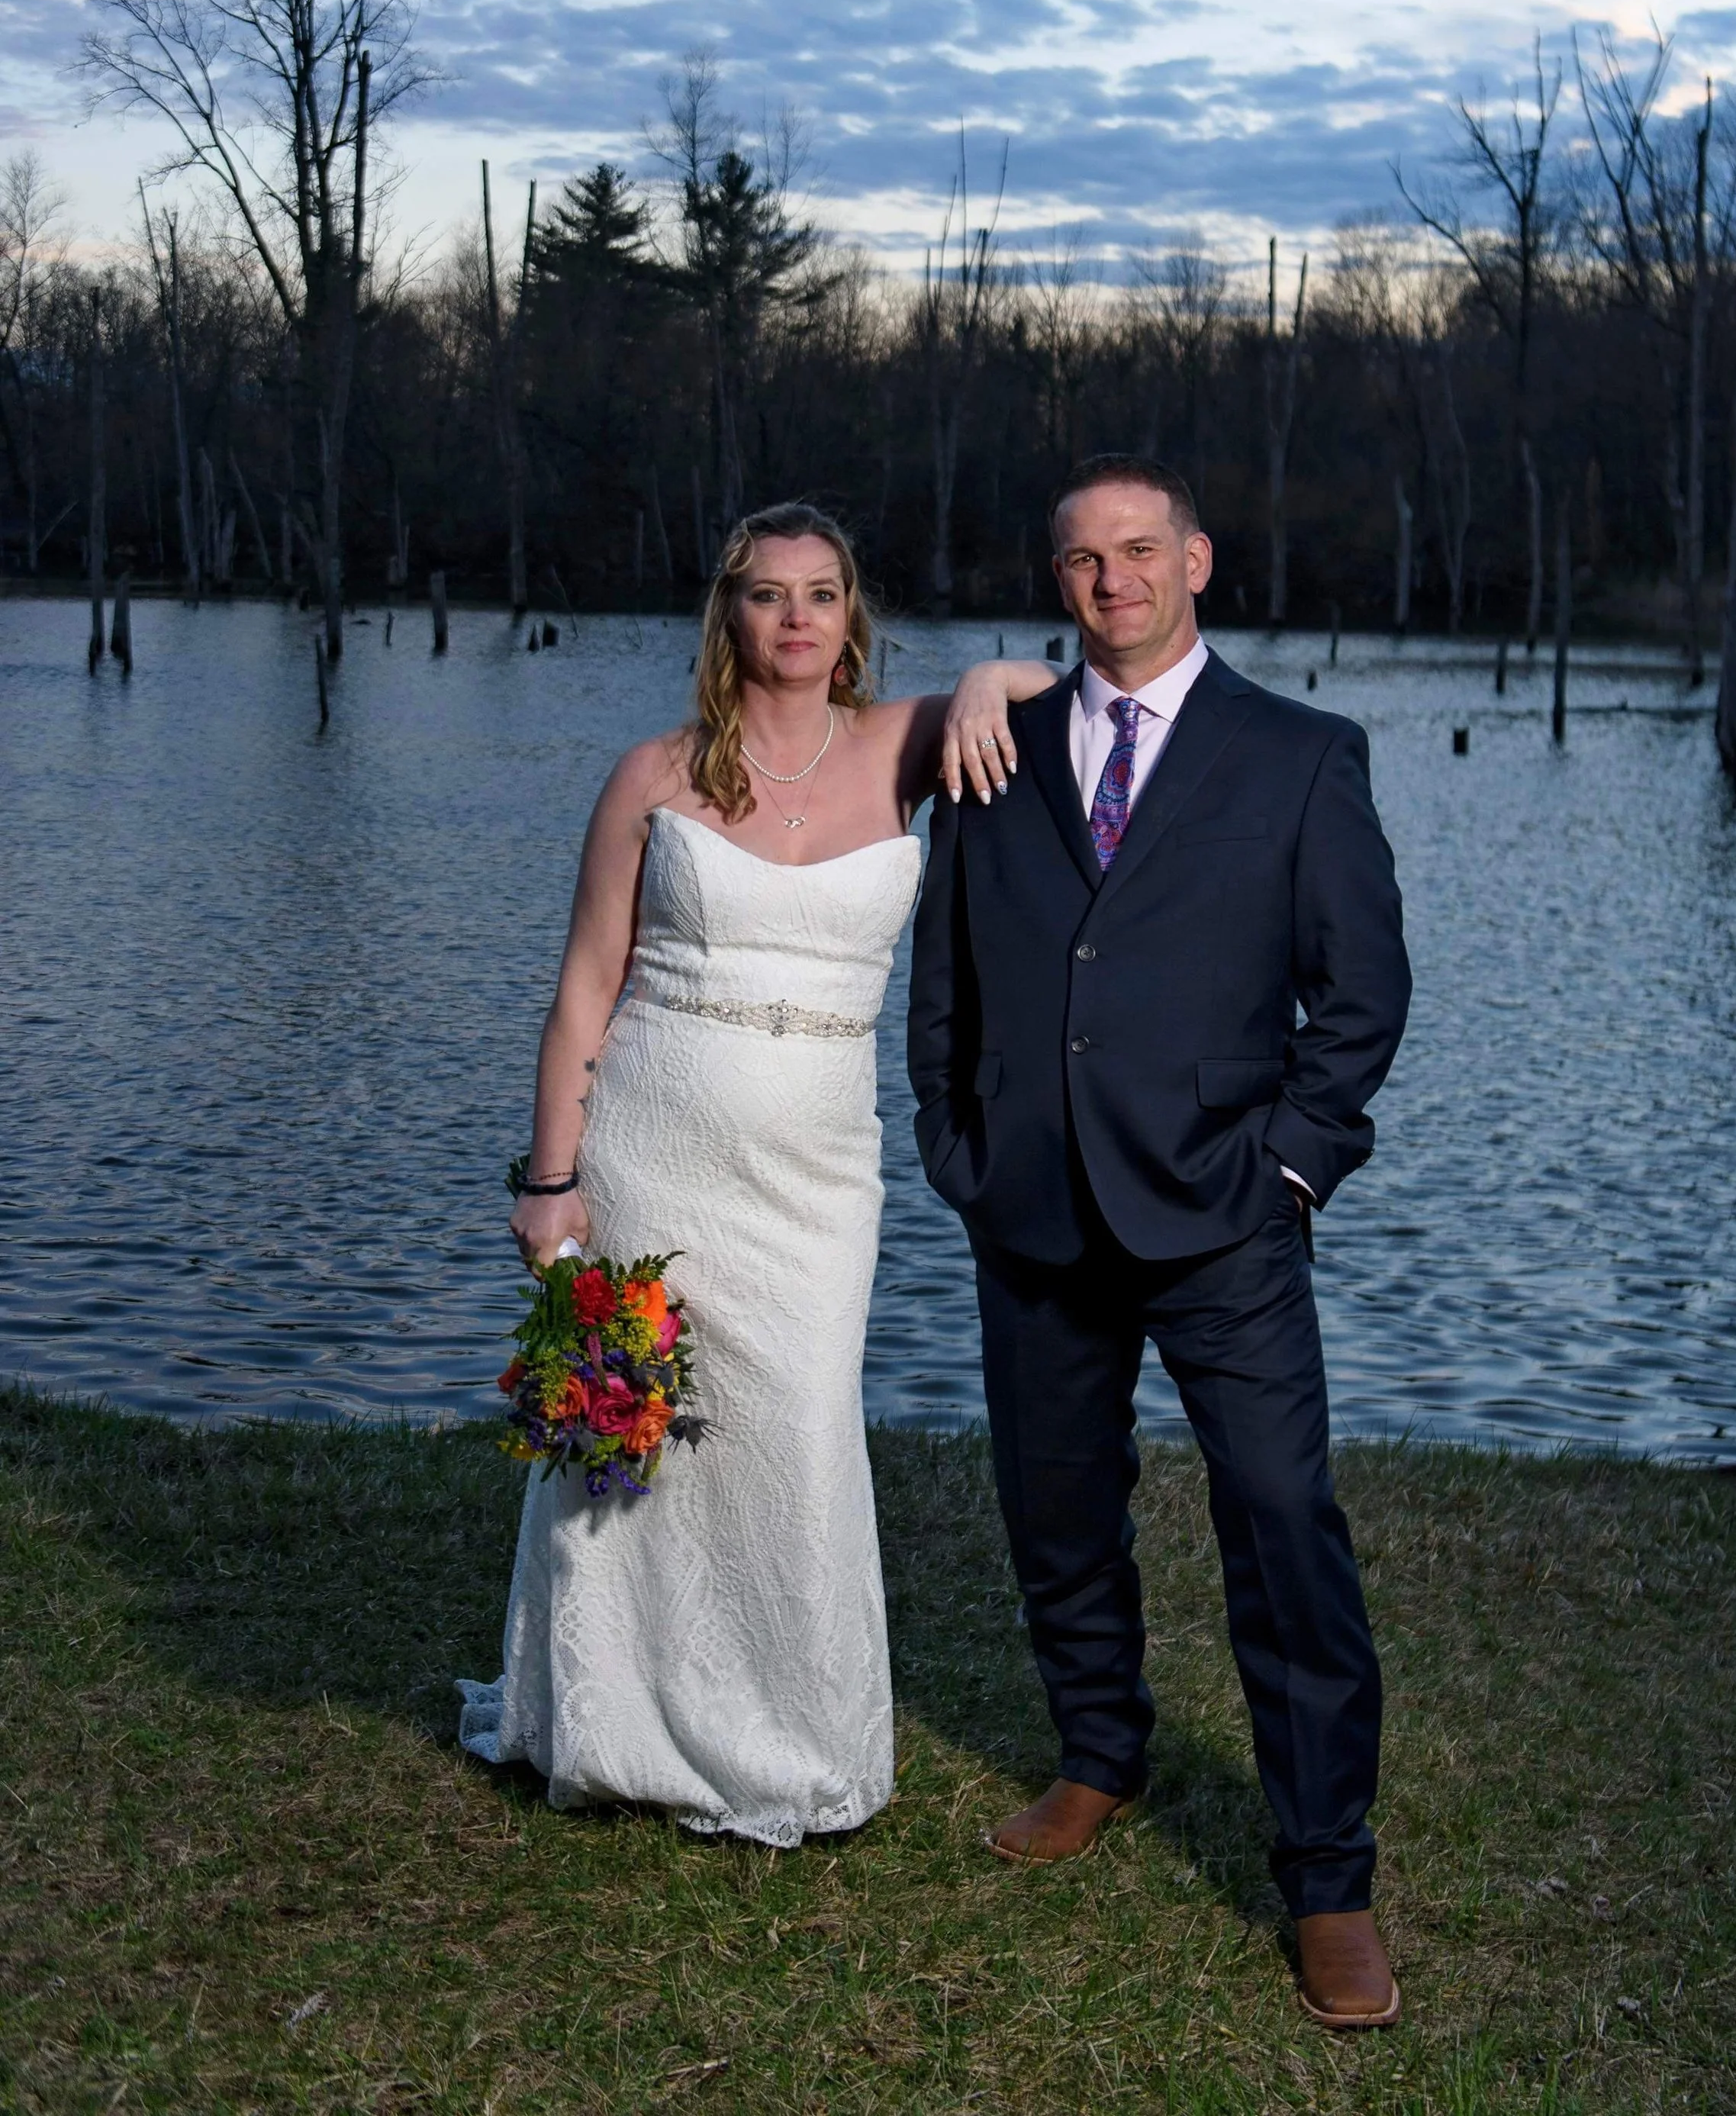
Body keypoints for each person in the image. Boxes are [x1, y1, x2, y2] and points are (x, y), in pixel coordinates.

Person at [907, 454, 1412, 2031]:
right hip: (1034, 1207)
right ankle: (1096, 1757)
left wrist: (1290, 1172)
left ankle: (1326, 1878)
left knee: (1278, 1521)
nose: (1109, 579)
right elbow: (946, 979)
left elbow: (1362, 997)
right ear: (1054, 583)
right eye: (1078, 559)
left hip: (1223, 1217)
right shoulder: (1002, 745)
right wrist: (956, 1142)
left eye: (1137, 550)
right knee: (1053, 1505)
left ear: (1194, 560)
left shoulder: (1299, 756)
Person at [460, 504, 1042, 1847]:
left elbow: (1084, 693)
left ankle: (800, 1747)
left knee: (798, 1427)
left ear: (853, 619)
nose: (795, 618)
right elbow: (584, 990)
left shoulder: (911, 744)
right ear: (728, 616)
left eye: (822, 594)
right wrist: (551, 1182)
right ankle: (607, 1726)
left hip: (816, 1172)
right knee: (633, 1436)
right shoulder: (652, 776)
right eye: (768, 594)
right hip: (654, 1145)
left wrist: (990, 681)